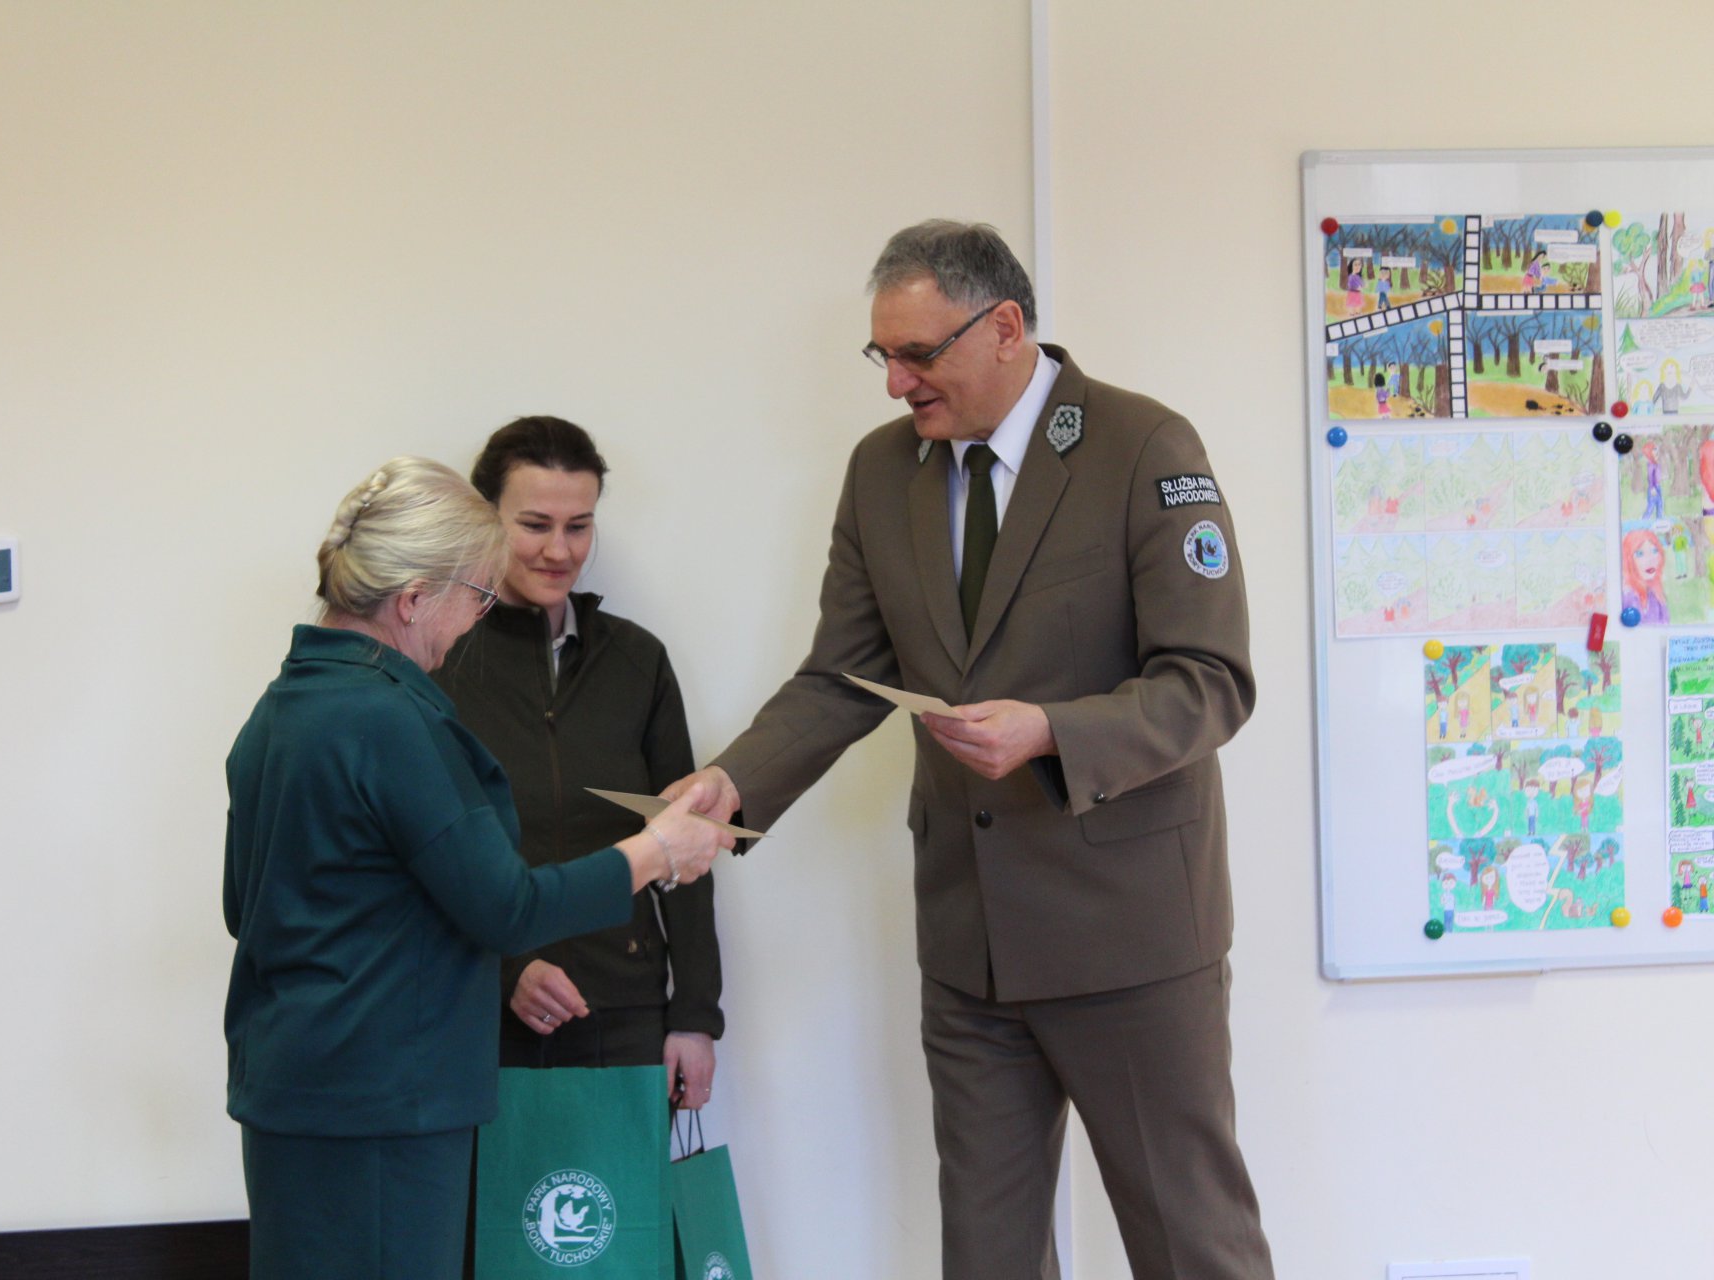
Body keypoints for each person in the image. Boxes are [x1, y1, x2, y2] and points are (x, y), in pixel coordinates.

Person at [665, 221, 1273, 1279]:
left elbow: (1210, 680)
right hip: (969, 944)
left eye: (918, 354)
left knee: (1192, 1246)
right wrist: (732, 782)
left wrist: (1052, 731)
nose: (894, 382)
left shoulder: (1143, 447)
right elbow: (840, 674)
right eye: (882, 354)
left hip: (1129, 936)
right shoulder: (879, 472)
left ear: (1005, 328)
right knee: (987, 1258)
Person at [222, 456, 730, 1280]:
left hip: (293, 1086)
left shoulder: (283, 708)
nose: (474, 623)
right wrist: (656, 851)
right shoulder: (390, 720)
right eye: (476, 597)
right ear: (414, 599)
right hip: (386, 1097)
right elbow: (507, 906)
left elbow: (242, 904)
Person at [434, 417, 724, 1107]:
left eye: (580, 526)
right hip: (476, 1016)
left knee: (623, 1187)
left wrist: (695, 1016)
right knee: (491, 1187)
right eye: (535, 525)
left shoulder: (638, 661)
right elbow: (423, 859)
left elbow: (687, 843)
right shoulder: (440, 661)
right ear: (486, 519)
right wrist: (508, 971)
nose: (559, 550)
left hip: (622, 1013)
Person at [1622, 527, 1670, 624]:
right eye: (1640, 554)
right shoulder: (1625, 596)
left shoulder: (1656, 595)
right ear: (1628, 559)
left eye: (1655, 551)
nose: (1650, 559)